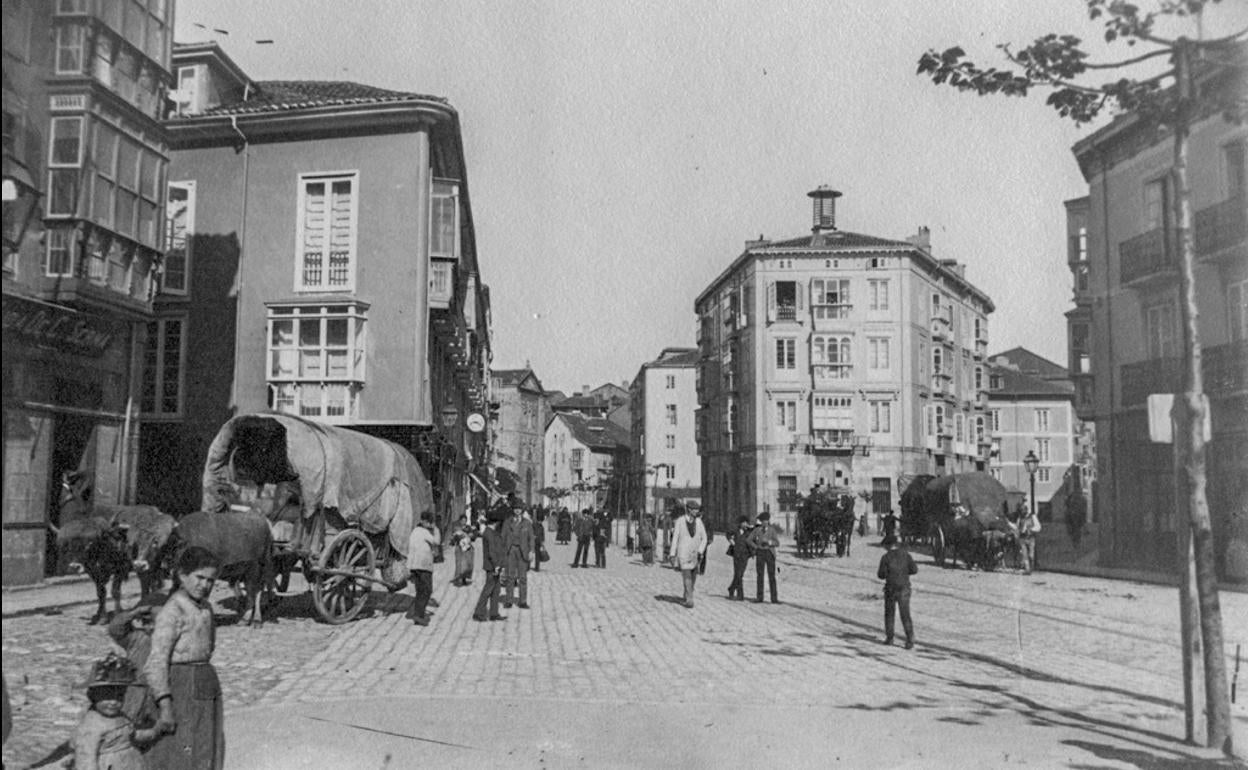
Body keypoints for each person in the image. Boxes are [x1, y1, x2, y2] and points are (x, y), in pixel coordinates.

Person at [144, 545, 225, 769]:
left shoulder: (206, 607)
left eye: (210, 580)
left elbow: (210, 643)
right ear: (182, 575)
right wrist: (165, 704)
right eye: (199, 577)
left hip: (205, 681)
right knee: (182, 746)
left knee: (207, 745)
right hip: (181, 685)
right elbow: (156, 662)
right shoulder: (173, 611)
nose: (205, 585)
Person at [74, 654, 160, 770]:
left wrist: (154, 732)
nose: (113, 702)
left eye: (119, 696)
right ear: (93, 696)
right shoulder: (91, 726)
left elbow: (131, 735)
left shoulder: (121, 716)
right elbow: (86, 758)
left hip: (131, 762)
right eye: (106, 696)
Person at [877, 534, 918, 648]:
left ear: (888, 546)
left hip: (891, 589)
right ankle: (910, 639)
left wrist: (890, 574)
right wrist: (904, 573)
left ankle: (890, 638)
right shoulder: (906, 555)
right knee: (905, 614)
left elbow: (881, 575)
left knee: (889, 614)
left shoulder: (886, 557)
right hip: (904, 588)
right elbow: (914, 570)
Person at [668, 502, 708, 608]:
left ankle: (687, 593)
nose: (697, 512)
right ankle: (690, 599)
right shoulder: (680, 521)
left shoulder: (699, 522)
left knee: (694, 576)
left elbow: (704, 538)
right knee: (687, 575)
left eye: (697, 510)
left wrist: (700, 550)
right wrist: (672, 554)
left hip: (695, 554)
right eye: (694, 509)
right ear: (689, 510)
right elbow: (675, 538)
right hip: (683, 553)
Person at [473, 508, 507, 621]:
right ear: (496, 522)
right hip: (492, 566)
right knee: (488, 589)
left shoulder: (490, 532)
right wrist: (497, 565)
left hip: (494, 565)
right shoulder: (489, 533)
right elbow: (492, 551)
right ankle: (478, 612)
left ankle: (494, 613)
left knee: (496, 590)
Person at [406, 511, 440, 626]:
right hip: (424, 565)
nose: (429, 524)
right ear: (425, 522)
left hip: (415, 565)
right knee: (426, 591)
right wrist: (436, 529)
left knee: (420, 590)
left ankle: (418, 613)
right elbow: (437, 541)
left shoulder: (414, 531)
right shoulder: (424, 532)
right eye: (429, 522)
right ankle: (419, 615)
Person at [502, 503, 534, 609]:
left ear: (522, 510)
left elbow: (531, 538)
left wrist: (532, 551)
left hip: (522, 551)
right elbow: (503, 537)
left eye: (519, 509)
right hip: (511, 550)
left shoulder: (527, 523)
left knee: (523, 577)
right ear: (513, 510)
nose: (517, 510)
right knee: (510, 577)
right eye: (515, 508)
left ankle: (522, 601)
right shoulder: (507, 522)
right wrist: (503, 550)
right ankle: (509, 600)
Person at [748, 512, 781, 604]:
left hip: (770, 553)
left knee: (772, 576)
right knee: (760, 575)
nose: (765, 523)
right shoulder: (757, 530)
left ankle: (774, 599)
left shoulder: (772, 530)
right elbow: (749, 540)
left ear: (768, 521)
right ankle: (759, 597)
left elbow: (777, 543)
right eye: (763, 521)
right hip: (760, 553)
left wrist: (769, 542)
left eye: (766, 521)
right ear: (761, 522)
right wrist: (756, 547)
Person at [726, 516, 755, 600]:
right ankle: (740, 595)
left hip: (745, 555)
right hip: (736, 554)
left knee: (740, 574)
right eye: (744, 522)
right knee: (738, 574)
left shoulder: (749, 532)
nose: (745, 524)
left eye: (746, 522)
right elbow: (728, 534)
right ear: (740, 523)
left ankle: (731, 588)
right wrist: (731, 541)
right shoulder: (735, 531)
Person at [449, 515, 476, 587]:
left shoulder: (468, 528)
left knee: (468, 564)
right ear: (460, 521)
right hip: (459, 548)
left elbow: (473, 537)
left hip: (467, 548)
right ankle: (458, 579)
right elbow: (453, 539)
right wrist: (456, 537)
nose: (464, 522)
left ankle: (464, 578)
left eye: (465, 520)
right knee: (459, 564)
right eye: (462, 520)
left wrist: (471, 535)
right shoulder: (456, 528)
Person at [1018, 505, 1042, 575]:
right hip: (1022, 538)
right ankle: (1027, 569)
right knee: (1024, 554)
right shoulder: (1020, 518)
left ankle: (1031, 567)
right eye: (1021, 510)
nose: (1022, 512)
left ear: (1026, 510)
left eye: (1023, 510)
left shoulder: (1032, 517)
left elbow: (1038, 527)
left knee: (1031, 554)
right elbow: (1017, 527)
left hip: (1031, 538)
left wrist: (1031, 529)